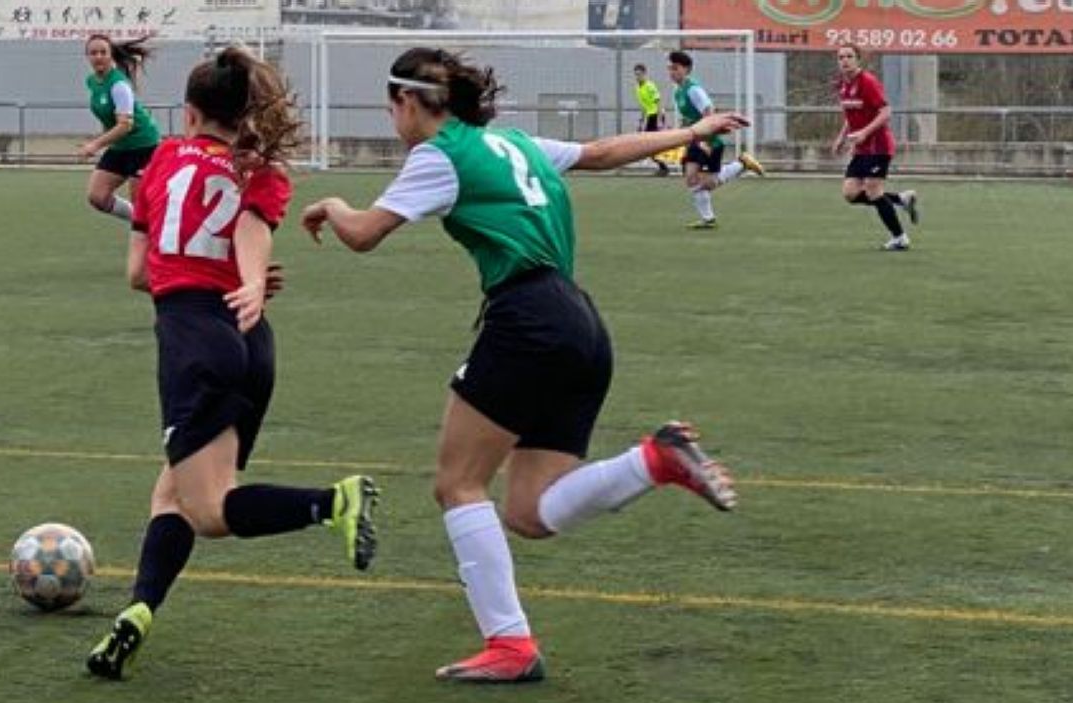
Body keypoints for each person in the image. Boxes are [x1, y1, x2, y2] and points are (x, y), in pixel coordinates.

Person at [300, 48, 741, 683]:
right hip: (581, 324)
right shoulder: (512, 142)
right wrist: (692, 134)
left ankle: (509, 647)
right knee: (531, 511)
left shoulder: (439, 155)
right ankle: (654, 459)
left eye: (389, 106)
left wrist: (334, 205)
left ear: (409, 102)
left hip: (527, 320)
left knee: (457, 483)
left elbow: (365, 233)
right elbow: (601, 152)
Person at [85, 47, 380, 681]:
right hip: (249, 338)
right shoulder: (263, 169)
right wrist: (245, 283)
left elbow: (140, 273)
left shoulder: (162, 158)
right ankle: (138, 611)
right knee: (173, 491)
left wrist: (207, 274)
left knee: (213, 510)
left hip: (195, 344)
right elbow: (250, 230)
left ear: (189, 114)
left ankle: (331, 503)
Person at [833, 44, 920, 251]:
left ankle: (900, 238)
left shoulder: (868, 82)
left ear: (858, 59)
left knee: (873, 191)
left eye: (849, 56)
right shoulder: (842, 84)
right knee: (850, 194)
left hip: (878, 146)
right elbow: (851, 115)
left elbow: (886, 111)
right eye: (841, 57)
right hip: (861, 149)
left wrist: (864, 133)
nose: (845, 60)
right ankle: (900, 199)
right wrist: (841, 137)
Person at [667, 50, 765, 229]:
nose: (671, 72)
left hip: (708, 140)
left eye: (675, 68)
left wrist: (705, 140)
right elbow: (689, 117)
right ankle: (708, 219)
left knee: (703, 182)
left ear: (686, 69)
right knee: (694, 179)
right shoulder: (678, 92)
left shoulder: (693, 89)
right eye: (669, 68)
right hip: (695, 139)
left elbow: (708, 111)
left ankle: (741, 164)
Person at [81, 34, 163, 225]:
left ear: (111, 56)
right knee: (97, 197)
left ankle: (151, 239)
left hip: (144, 146)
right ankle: (141, 223)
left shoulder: (119, 85)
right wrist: (104, 138)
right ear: (87, 57)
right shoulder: (92, 82)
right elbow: (108, 117)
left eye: (103, 52)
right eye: (93, 53)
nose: (98, 56)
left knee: (140, 204)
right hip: (121, 146)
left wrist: (96, 145)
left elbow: (125, 125)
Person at [632, 63, 669, 176]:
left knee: (649, 144)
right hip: (649, 116)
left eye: (640, 74)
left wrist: (659, 120)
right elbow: (644, 106)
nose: (638, 77)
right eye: (636, 74)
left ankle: (663, 167)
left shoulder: (650, 86)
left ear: (644, 74)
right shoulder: (637, 88)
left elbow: (658, 103)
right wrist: (641, 121)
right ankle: (663, 166)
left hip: (656, 115)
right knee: (649, 144)